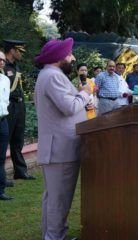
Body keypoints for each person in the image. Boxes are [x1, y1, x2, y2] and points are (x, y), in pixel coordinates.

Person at [34, 38, 92, 240]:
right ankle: (54, 237)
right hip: (61, 148)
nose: (72, 58)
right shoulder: (52, 76)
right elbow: (69, 107)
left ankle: (53, 235)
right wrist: (85, 94)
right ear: (59, 57)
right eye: (69, 54)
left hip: (60, 148)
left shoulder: (52, 74)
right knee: (59, 199)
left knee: (54, 198)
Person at [3, 39, 35, 180]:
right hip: (8, 105)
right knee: (4, 139)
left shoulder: (16, 66)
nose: (21, 54)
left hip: (19, 105)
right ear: (12, 50)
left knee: (18, 139)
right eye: (19, 51)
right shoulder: (3, 66)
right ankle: (1, 175)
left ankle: (20, 171)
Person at [0, 50, 14, 200]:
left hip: (3, 121)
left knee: (1, 157)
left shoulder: (5, 79)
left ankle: (0, 190)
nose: (2, 62)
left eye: (3, 60)